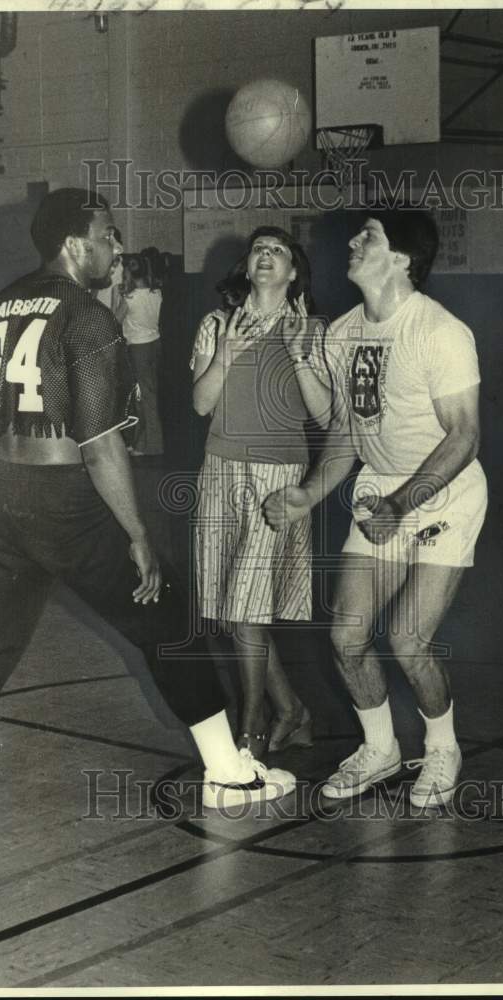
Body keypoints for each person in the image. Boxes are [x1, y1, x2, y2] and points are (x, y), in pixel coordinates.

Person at [0, 188, 296, 829]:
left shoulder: (0, 303)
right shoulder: (87, 316)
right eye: (108, 235)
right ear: (76, 246)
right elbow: (102, 443)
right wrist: (136, 533)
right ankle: (229, 774)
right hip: (64, 502)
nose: (117, 247)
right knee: (169, 620)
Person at [264, 209, 487, 807]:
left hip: (446, 492)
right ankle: (381, 749)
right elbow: (344, 432)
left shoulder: (441, 332)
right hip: (379, 490)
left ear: (402, 259)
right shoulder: (341, 334)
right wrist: (310, 494)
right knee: (346, 638)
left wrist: (401, 503)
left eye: (372, 236)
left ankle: (442, 750)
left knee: (409, 640)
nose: (355, 242)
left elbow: (464, 436)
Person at [190, 227, 318, 762]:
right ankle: (292, 710)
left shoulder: (312, 330)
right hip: (219, 471)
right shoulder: (216, 324)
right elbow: (200, 405)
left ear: (292, 273)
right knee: (236, 608)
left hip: (277, 479)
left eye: (279, 251)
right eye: (259, 249)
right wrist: (225, 356)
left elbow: (323, 413)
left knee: (246, 607)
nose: (266, 256)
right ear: (246, 266)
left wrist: (299, 354)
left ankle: (253, 717)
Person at [117, 248, 166, 456]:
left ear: (129, 273)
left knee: (144, 398)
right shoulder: (156, 292)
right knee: (149, 394)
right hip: (155, 343)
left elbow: (115, 320)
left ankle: (151, 446)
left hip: (138, 348)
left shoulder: (130, 298)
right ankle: (140, 442)